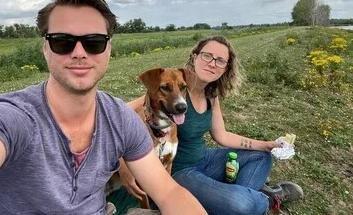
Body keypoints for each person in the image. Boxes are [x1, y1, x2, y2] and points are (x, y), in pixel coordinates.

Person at [0, 0, 207, 215]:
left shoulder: (120, 119)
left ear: (108, 49)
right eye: (62, 41)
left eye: (94, 42)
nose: (79, 52)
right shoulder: (4, 119)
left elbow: (169, 191)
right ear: (45, 49)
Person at [119, 36, 304, 215]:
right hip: (181, 172)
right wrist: (123, 164)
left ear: (225, 69)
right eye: (207, 56)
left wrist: (265, 144)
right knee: (240, 204)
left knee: (262, 157)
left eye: (220, 60)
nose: (212, 63)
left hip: (205, 159)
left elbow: (222, 136)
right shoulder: (170, 89)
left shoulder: (211, 96)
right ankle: (267, 198)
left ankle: (231, 199)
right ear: (195, 56)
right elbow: (117, 118)